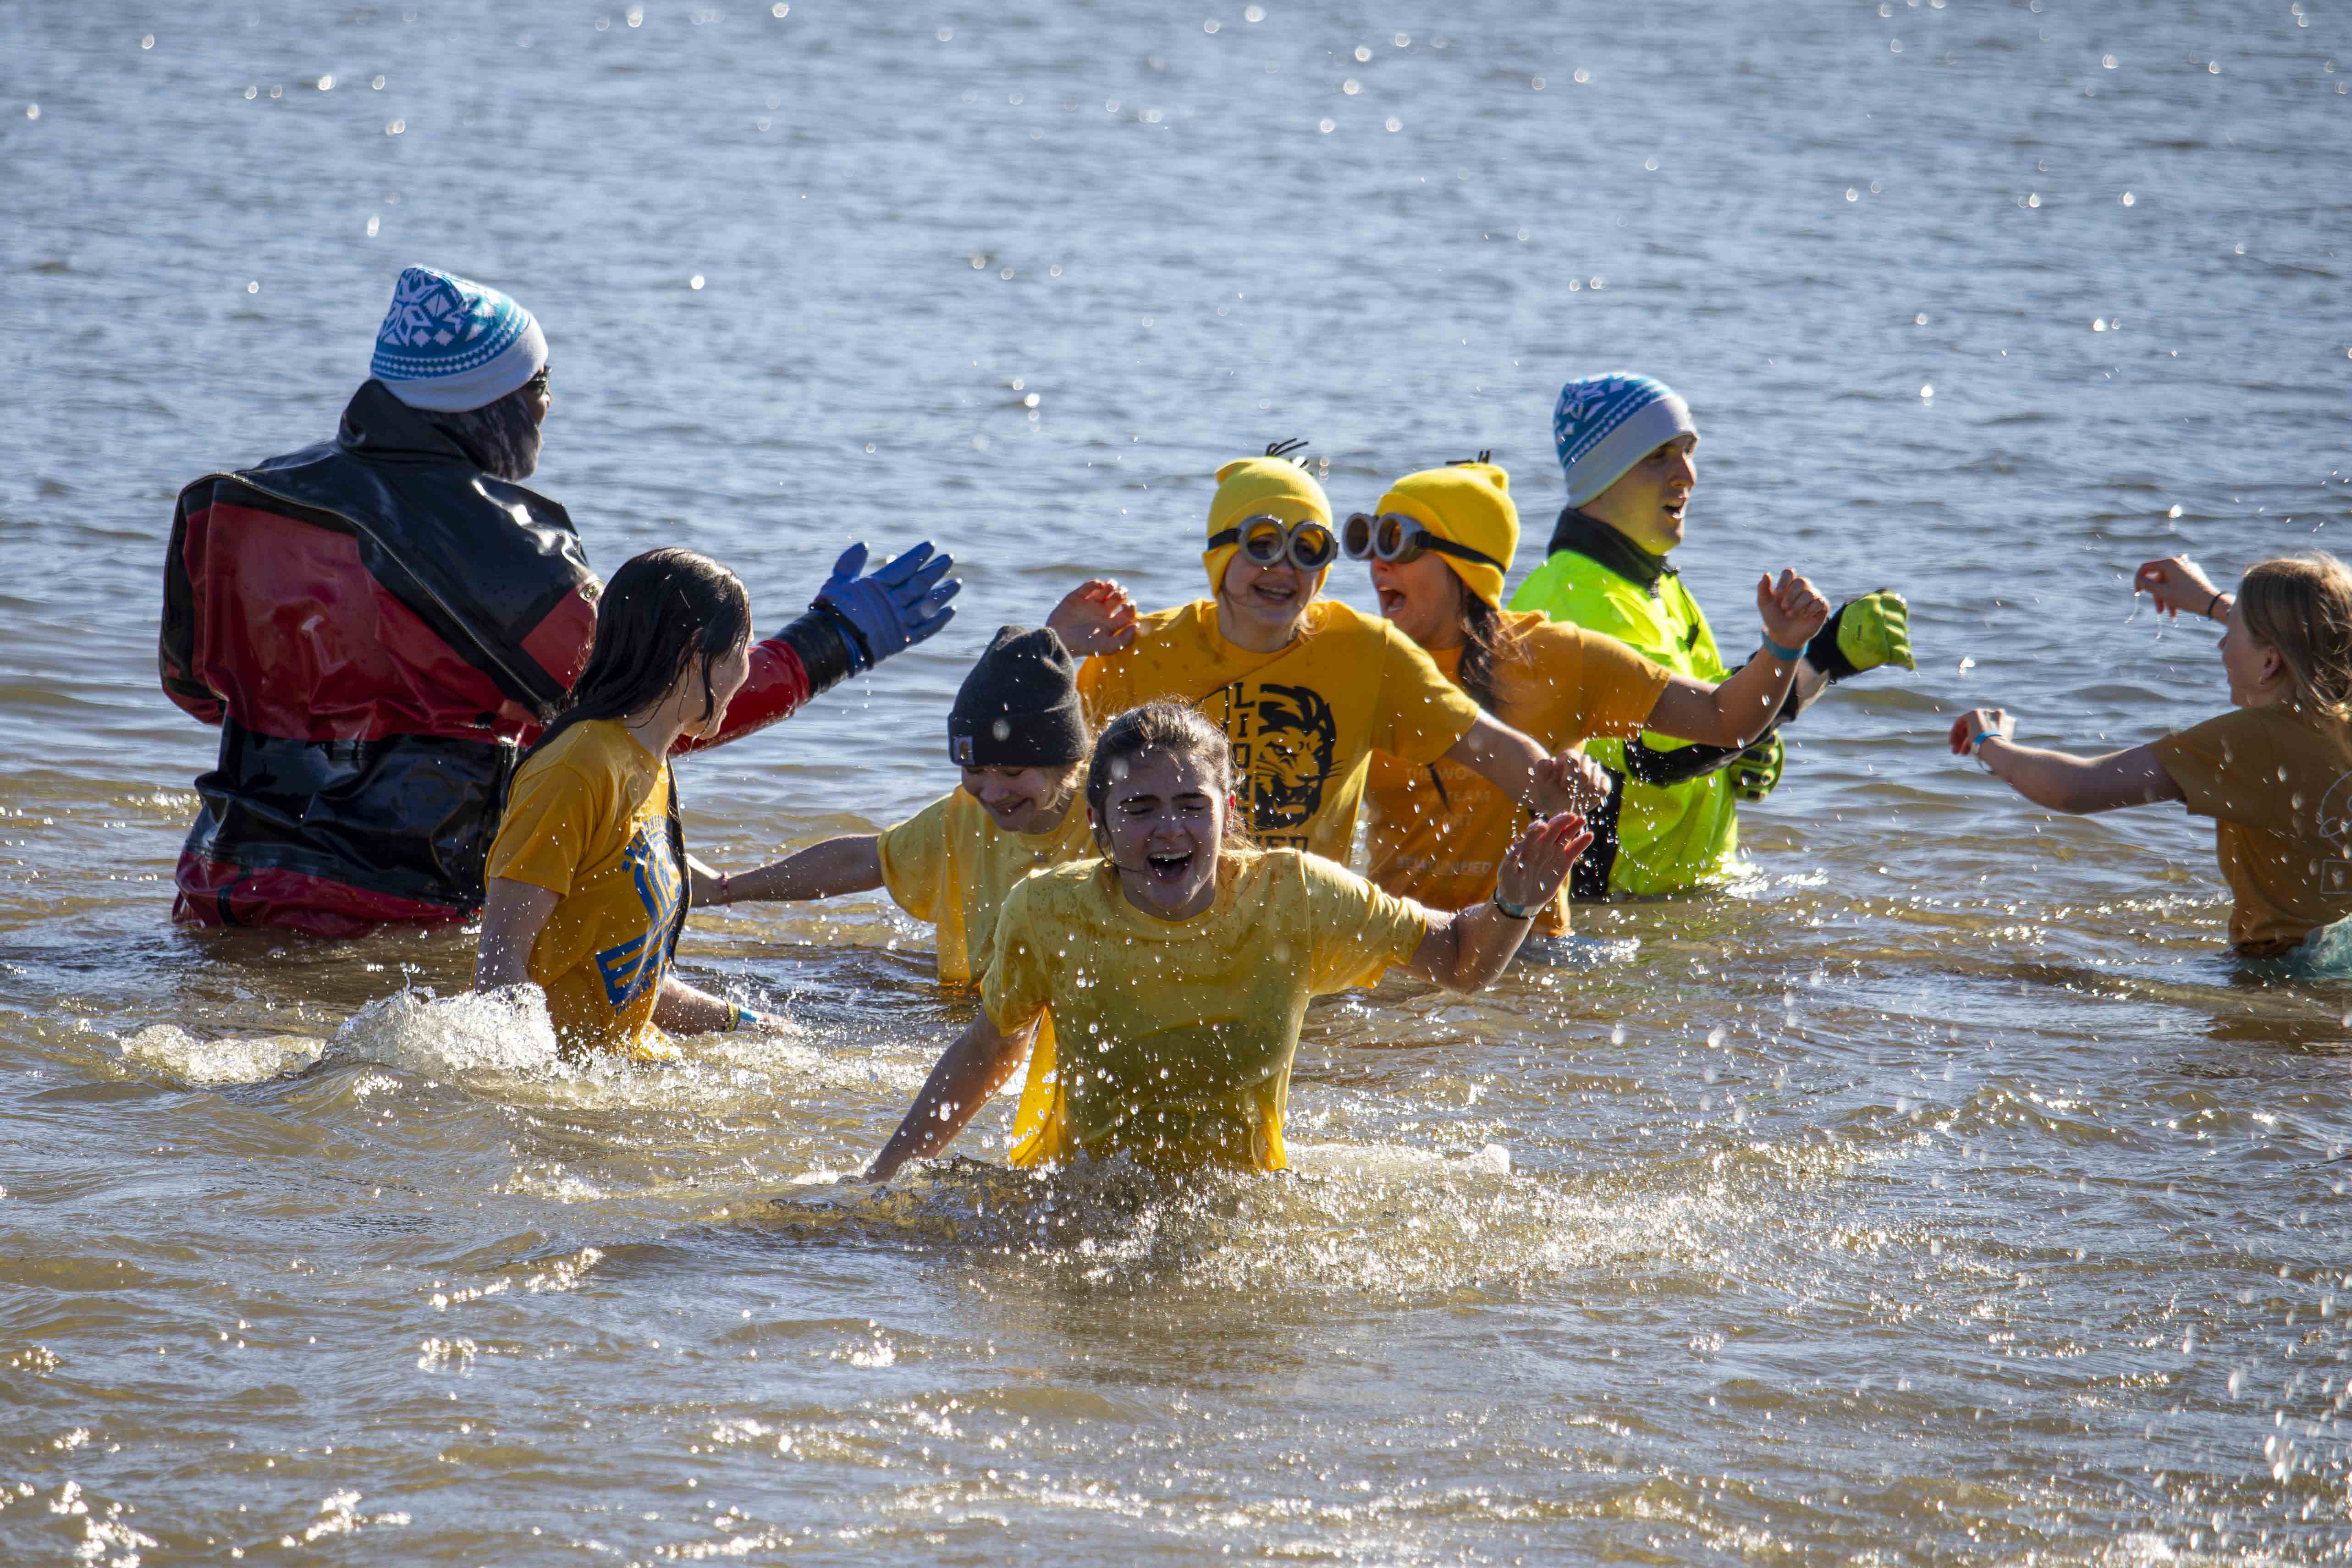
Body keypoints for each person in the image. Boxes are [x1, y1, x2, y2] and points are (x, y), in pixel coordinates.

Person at [160, 264, 957, 936]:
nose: (549, 407)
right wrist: (830, 643)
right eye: (539, 383)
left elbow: (194, 692)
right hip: (405, 913)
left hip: (221, 889)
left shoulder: (229, 504)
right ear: (489, 401)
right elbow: (653, 712)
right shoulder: (506, 541)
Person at [864, 702, 1591, 1179]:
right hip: (1080, 1192)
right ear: (1098, 820)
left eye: (1191, 805)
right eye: (1139, 808)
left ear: (1228, 811)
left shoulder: (1294, 894)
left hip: (1243, 1197)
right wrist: (882, 1179)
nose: (1169, 829)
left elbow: (1461, 961)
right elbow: (990, 1047)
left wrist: (1512, 904)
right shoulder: (1049, 910)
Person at [1074, 442, 1605, 867]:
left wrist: (1562, 787)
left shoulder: (1365, 653)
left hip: (1301, 928)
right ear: (1219, 554)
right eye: (1262, 543)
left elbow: (1489, 745)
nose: (1283, 567)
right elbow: (1041, 784)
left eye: (1307, 549)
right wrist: (1056, 645)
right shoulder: (1140, 651)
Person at [1354, 457, 1829, 930]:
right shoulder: (1362, 664)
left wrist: (1783, 647)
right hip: (1398, 943)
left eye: (1396, 542)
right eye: (1367, 541)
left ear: (1467, 562)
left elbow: (1725, 719)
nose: (1377, 562)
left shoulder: (1560, 659)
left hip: (1528, 949)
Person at [1508, 374, 1915, 896]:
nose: (1687, 475)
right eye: (1659, 456)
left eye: (1687, 451)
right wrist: (1822, 656)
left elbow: (1711, 710)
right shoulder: (1583, 601)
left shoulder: (1651, 583)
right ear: (1601, 474)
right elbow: (1681, 746)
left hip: (1677, 899)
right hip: (1618, 911)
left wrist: (1743, 750)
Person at [692, 596, 1133, 985]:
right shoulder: (963, 818)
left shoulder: (1118, 820)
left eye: (1015, 772)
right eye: (975, 768)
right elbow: (863, 860)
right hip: (974, 1008)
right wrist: (726, 888)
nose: (994, 792)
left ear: (1069, 764)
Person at [1951, 552, 2352, 961]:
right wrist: (2212, 603)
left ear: (2269, 662)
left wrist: (1989, 742)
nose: (2221, 641)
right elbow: (2319, 639)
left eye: (2231, 631)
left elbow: (2074, 788)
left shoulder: (2252, 741)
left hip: (2281, 966)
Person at [474, 549, 782, 1060]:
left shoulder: (651, 765)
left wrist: (745, 1024)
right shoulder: (576, 769)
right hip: (565, 1096)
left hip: (626, 1065)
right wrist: (531, 1099)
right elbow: (500, 965)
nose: (748, 671)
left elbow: (625, 977)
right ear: (696, 650)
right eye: (743, 649)